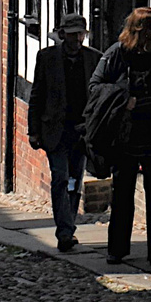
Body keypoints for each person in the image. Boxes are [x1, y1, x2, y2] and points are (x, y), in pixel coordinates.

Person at [91, 7, 151, 269]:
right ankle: (116, 250)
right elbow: (96, 86)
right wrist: (123, 100)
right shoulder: (117, 54)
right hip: (127, 133)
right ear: (144, 32)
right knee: (123, 194)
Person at [28, 13, 99, 252]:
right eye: (72, 34)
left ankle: (68, 226)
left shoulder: (93, 59)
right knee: (60, 177)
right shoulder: (47, 58)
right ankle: (64, 231)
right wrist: (33, 131)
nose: (76, 39)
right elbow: (37, 94)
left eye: (80, 34)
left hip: (81, 132)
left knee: (74, 181)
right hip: (55, 130)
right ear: (62, 35)